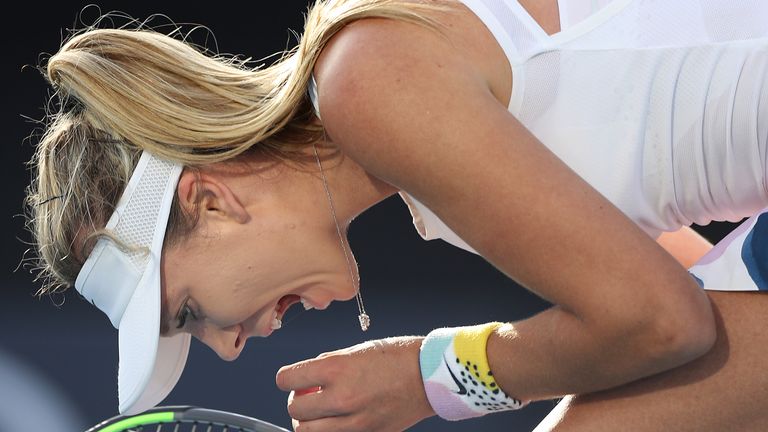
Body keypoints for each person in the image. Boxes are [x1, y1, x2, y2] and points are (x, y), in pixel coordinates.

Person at [24, 0, 768, 430]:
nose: (227, 347)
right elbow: (676, 310)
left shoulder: (364, 80)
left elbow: (663, 322)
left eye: (190, 311)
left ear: (211, 200)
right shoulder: (424, 176)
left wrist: (427, 378)